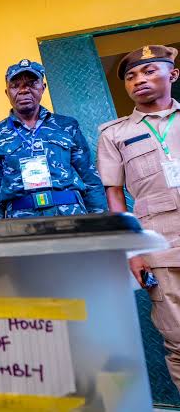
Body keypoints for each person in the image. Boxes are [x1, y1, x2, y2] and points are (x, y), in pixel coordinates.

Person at [97, 45, 180, 389]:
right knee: (178, 342)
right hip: (158, 247)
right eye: (131, 76)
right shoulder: (114, 134)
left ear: (172, 74)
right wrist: (132, 252)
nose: (138, 80)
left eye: (148, 71)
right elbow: (114, 195)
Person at [0, 59, 107, 219]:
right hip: (21, 221)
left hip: (72, 215)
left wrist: (100, 221)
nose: (24, 90)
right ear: (7, 92)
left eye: (32, 84)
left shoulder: (67, 126)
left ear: (43, 88)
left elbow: (90, 178)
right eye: (15, 85)